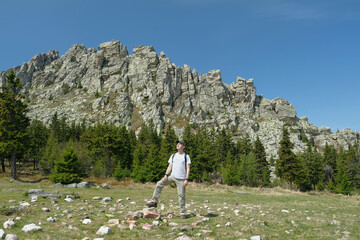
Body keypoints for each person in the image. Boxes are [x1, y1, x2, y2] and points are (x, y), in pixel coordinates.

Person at [146, 140, 191, 219]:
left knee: (181, 195)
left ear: (183, 146)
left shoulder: (186, 156)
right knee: (159, 184)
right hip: (172, 176)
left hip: (181, 179)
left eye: (180, 144)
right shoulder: (173, 155)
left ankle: (182, 213)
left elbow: (188, 168)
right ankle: (154, 202)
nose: (178, 145)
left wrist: (186, 179)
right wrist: (166, 175)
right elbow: (170, 166)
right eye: (177, 144)